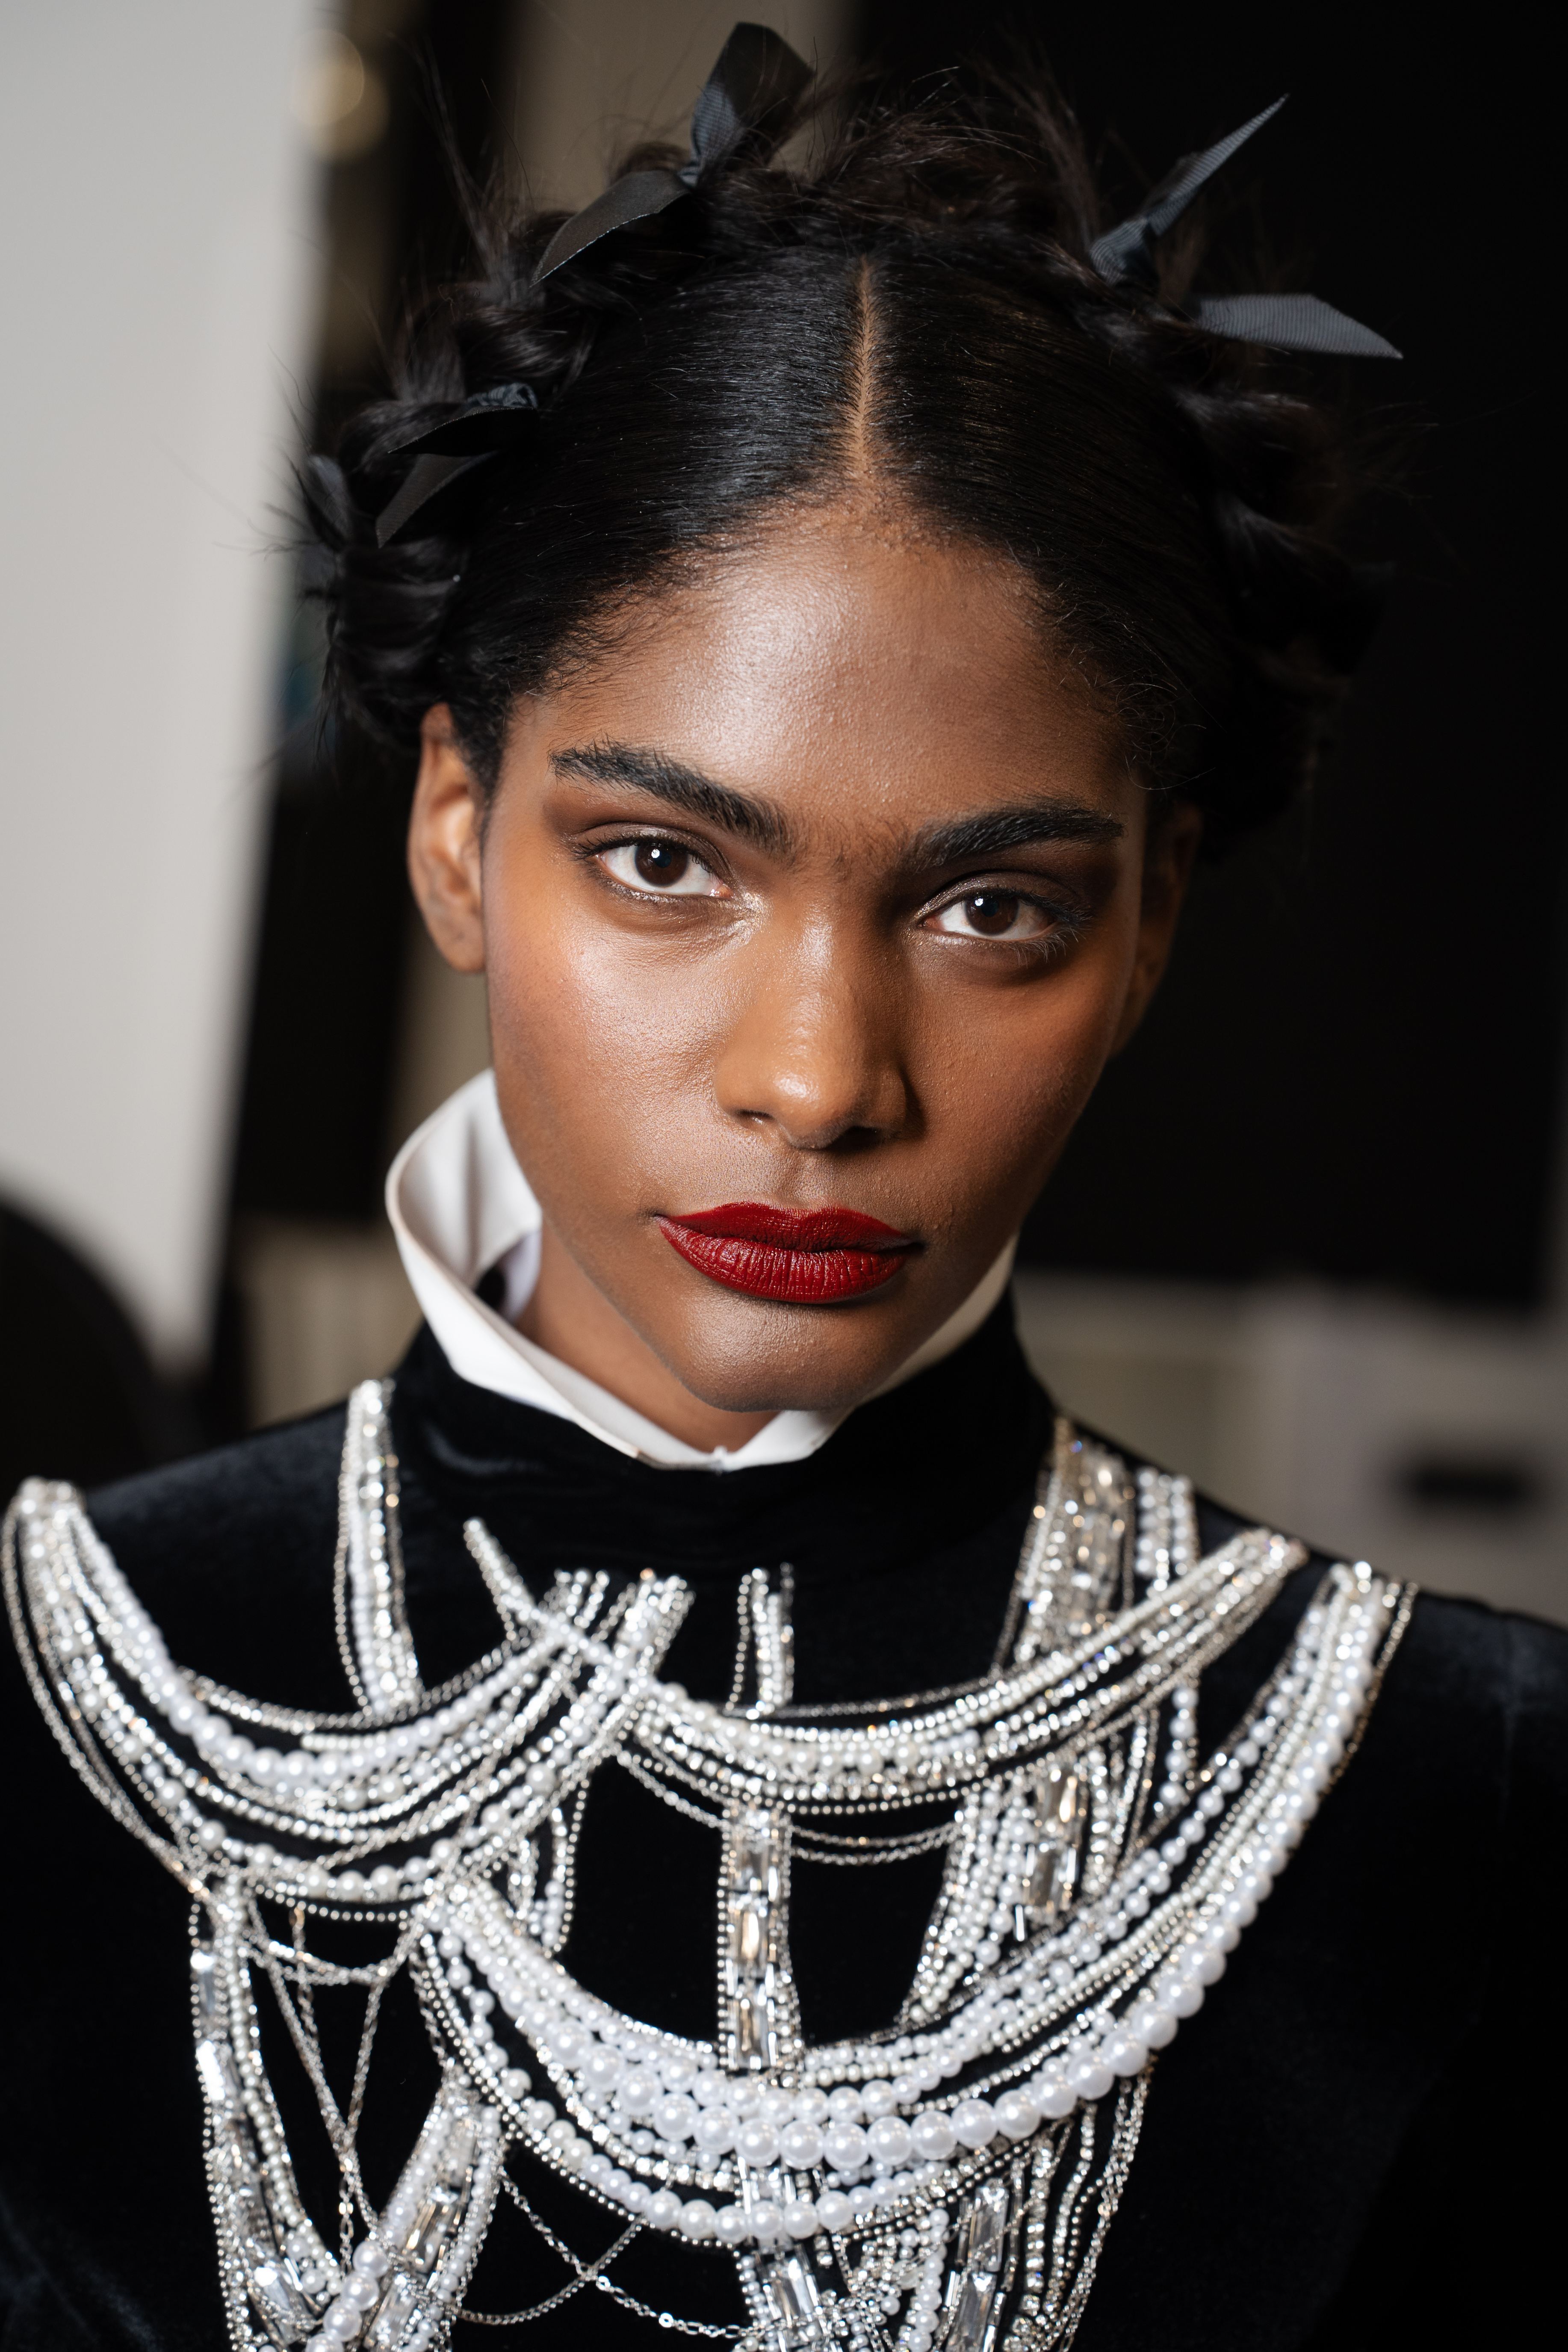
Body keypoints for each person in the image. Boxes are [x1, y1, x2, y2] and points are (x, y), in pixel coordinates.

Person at [2, 29, 1560, 2352]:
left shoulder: (1459, 1800)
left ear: (1145, 926)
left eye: (988, 911)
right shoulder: (54, 1692)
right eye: (662, 864)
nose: (819, 1079)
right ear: (454, 835)